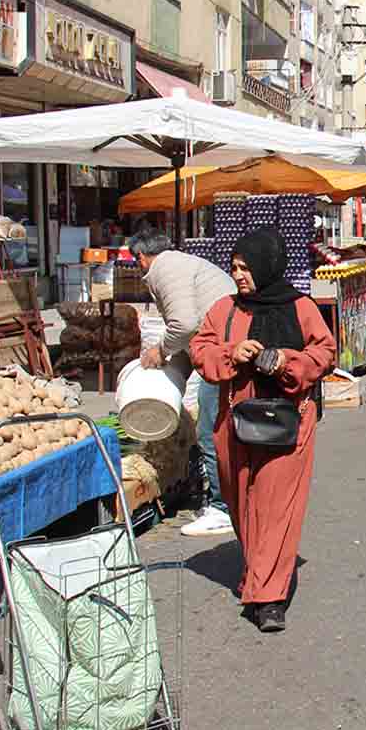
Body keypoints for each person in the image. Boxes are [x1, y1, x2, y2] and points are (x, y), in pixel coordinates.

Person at [190, 229, 337, 633]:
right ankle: (258, 573)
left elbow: (324, 352)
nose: (239, 275)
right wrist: (230, 354)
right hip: (234, 423)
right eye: (235, 268)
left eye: (246, 268)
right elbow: (200, 350)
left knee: (275, 508)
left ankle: (268, 598)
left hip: (287, 424)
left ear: (267, 266)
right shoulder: (225, 310)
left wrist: (285, 362)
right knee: (242, 505)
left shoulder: (301, 307)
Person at [130, 229, 238, 538]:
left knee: (209, 430)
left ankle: (221, 509)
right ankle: (231, 500)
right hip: (222, 346)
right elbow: (192, 332)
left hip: (222, 351)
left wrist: (159, 351)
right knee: (221, 429)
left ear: (141, 257)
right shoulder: (180, 264)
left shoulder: (164, 269)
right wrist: (171, 376)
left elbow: (185, 324)